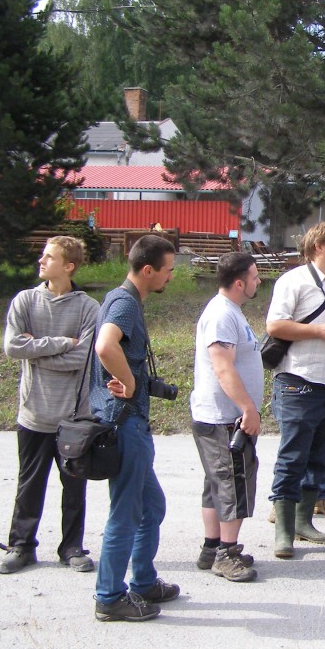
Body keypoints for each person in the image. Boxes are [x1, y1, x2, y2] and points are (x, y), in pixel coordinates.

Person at [0, 236, 99, 575]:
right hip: (34, 414)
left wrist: (37, 352)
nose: (41, 261)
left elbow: (82, 357)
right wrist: (59, 343)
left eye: (49, 256)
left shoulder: (88, 308)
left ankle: (71, 547)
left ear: (68, 266)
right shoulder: (25, 301)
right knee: (29, 484)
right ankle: (21, 546)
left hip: (72, 419)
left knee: (74, 486)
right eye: (43, 255)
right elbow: (13, 347)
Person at [91, 234, 179, 622]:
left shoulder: (118, 296)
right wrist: (127, 382)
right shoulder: (125, 302)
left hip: (129, 421)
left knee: (152, 506)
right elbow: (105, 346)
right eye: (168, 270)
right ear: (148, 270)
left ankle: (142, 581)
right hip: (125, 423)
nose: (170, 278)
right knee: (126, 512)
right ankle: (109, 597)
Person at [265, 222, 325, 558]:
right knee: (292, 457)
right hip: (299, 381)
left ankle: (303, 522)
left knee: (318, 457)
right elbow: (274, 325)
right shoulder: (293, 281)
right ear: (318, 246)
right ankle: (283, 532)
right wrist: (319, 331)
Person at [190, 252, 263, 583]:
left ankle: (212, 547)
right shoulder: (221, 314)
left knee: (216, 483)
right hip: (223, 417)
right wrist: (247, 408)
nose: (258, 280)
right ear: (239, 283)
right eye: (255, 276)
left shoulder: (230, 312)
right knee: (233, 483)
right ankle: (226, 554)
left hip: (222, 415)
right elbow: (222, 366)